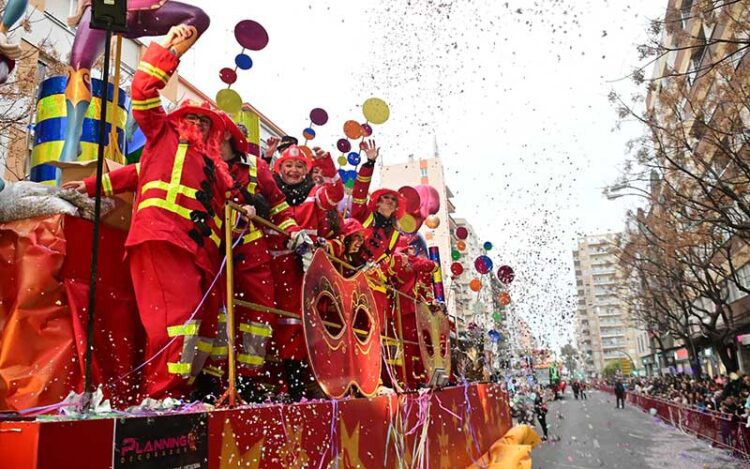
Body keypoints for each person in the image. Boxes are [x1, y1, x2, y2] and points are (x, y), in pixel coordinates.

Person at [64, 29, 239, 399]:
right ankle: (161, 398)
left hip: (200, 258)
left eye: (207, 123)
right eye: (194, 118)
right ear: (181, 120)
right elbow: (143, 91)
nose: (200, 125)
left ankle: (181, 394)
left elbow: (138, 174)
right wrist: (172, 49)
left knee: (203, 334)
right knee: (176, 326)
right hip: (161, 238)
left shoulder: (212, 169)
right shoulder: (164, 134)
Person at [204, 113, 300, 402]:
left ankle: (247, 379)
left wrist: (294, 232)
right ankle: (213, 379)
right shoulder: (205, 164)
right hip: (215, 249)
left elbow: (279, 206)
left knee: (259, 316)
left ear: (232, 138)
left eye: (220, 136)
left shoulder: (257, 167)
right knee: (217, 315)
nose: (215, 142)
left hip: (253, 252)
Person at [267, 144, 343, 401]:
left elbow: (335, 194)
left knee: (295, 324)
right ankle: (274, 383)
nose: (293, 170)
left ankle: (295, 387)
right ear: (279, 168)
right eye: (288, 165)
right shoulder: (271, 190)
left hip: (302, 267)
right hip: (270, 265)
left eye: (300, 166)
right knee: (267, 323)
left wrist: (327, 163)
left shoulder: (314, 194)